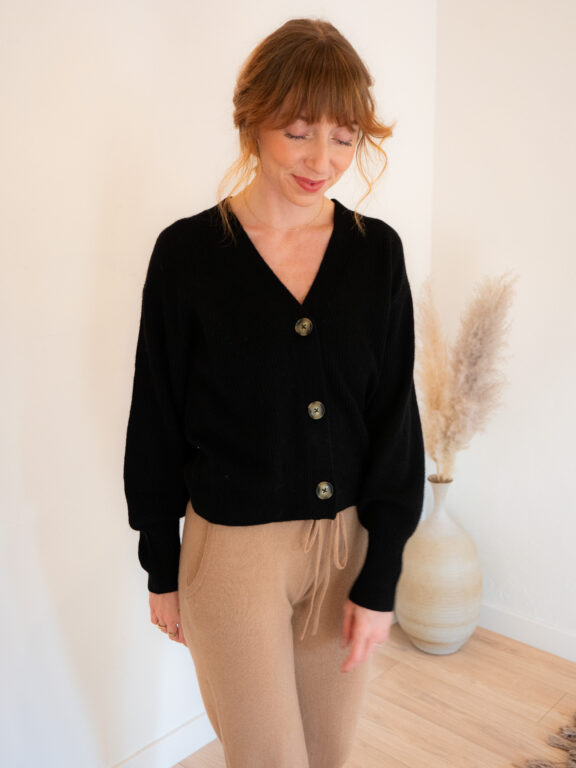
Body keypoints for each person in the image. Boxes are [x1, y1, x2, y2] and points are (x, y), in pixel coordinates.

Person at [123, 17, 425, 768]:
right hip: (233, 557)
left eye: (345, 136)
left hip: (346, 547)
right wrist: (162, 562)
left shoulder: (376, 254)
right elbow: (155, 417)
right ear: (252, 121)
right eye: (298, 132)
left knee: (327, 757)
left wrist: (381, 572)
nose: (322, 159)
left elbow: (395, 424)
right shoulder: (187, 255)